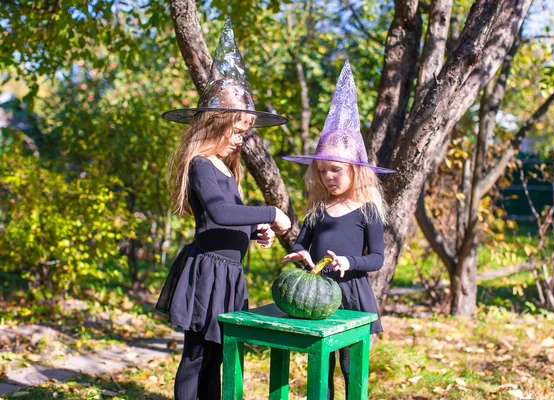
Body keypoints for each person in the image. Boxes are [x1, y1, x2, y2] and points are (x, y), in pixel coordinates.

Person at [155, 18, 291, 400]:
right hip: (206, 273)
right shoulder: (199, 164)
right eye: (236, 131)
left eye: (245, 133)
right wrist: (271, 214)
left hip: (229, 275)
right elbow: (217, 213)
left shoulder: (226, 170)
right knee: (197, 356)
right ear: (215, 125)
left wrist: (253, 232)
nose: (241, 140)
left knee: (219, 356)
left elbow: (233, 218)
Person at [281, 60, 395, 400]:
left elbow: (376, 258)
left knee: (351, 364)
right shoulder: (317, 209)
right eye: (323, 171)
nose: (329, 177)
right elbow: (302, 242)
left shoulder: (368, 210)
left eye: (336, 170)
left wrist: (348, 261)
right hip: (318, 294)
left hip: (353, 296)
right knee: (322, 364)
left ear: (355, 170)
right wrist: (301, 255)